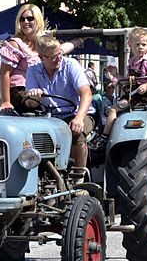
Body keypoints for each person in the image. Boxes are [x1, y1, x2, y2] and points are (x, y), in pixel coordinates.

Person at [25, 35, 95, 179]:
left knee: (76, 132)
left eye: (59, 54)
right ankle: (39, 177)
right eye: (53, 57)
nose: (58, 58)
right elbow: (30, 104)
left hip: (75, 113)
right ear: (41, 57)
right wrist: (34, 98)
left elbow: (86, 93)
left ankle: (79, 177)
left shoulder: (71, 65)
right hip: (49, 118)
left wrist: (79, 118)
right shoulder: (33, 70)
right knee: (27, 136)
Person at [89, 28, 147, 150]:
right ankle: (103, 134)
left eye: (144, 45)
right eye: (137, 44)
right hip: (132, 93)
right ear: (130, 45)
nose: (140, 47)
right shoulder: (132, 62)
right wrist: (115, 75)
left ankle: (103, 138)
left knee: (113, 110)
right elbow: (126, 80)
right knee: (107, 110)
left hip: (142, 95)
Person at [0, 4, 84, 113]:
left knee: (59, 107)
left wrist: (81, 39)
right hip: (21, 90)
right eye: (22, 19)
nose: (25, 22)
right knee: (37, 103)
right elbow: (4, 73)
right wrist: (6, 101)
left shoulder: (43, 41)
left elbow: (60, 50)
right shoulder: (15, 44)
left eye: (30, 19)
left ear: (38, 20)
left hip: (41, 91)